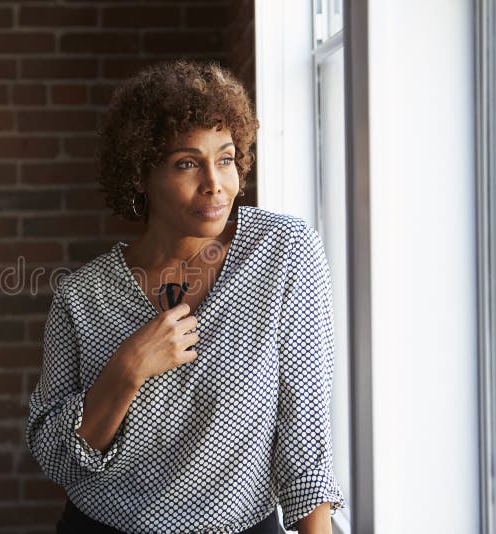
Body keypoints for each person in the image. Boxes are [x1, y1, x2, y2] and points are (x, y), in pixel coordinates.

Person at [24, 59, 347, 533]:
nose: (215, 183)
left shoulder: (283, 253)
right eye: (187, 163)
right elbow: (56, 457)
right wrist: (127, 369)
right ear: (141, 174)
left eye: (226, 158)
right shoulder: (81, 296)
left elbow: (306, 439)